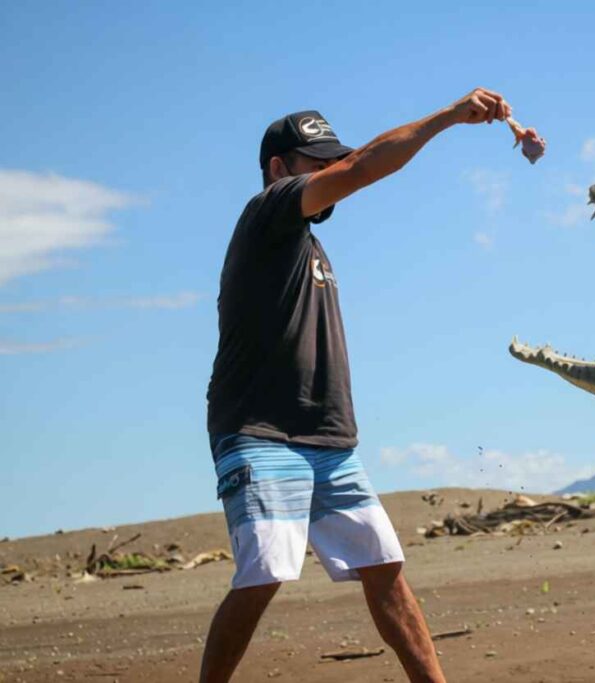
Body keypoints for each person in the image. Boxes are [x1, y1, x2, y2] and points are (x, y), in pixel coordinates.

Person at [201, 88, 513, 683]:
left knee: (384, 568)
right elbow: (362, 168)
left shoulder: (309, 246)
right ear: (279, 170)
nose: (328, 174)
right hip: (260, 432)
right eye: (316, 163)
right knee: (264, 571)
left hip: (329, 442)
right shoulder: (267, 214)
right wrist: (447, 116)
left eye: (329, 161)